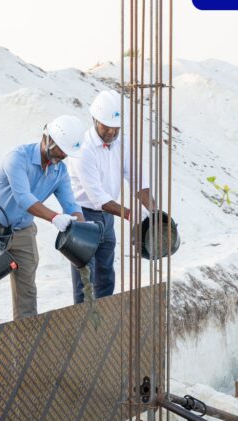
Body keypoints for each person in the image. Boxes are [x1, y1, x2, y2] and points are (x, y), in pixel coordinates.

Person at [0, 115, 87, 331]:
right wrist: (55, 218)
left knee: (27, 289)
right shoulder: (17, 158)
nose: (63, 155)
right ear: (48, 139)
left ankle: (25, 341)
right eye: (61, 149)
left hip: (23, 229)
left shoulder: (60, 171)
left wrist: (81, 226)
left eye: (66, 152)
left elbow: (71, 205)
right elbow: (23, 198)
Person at [68, 89, 153, 304]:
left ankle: (104, 319)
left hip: (107, 217)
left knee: (106, 273)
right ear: (94, 119)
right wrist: (130, 214)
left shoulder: (122, 142)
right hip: (83, 216)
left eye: (116, 128)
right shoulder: (83, 149)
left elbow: (138, 180)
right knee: (85, 276)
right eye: (107, 127)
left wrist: (154, 213)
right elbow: (98, 197)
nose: (112, 132)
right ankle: (85, 319)